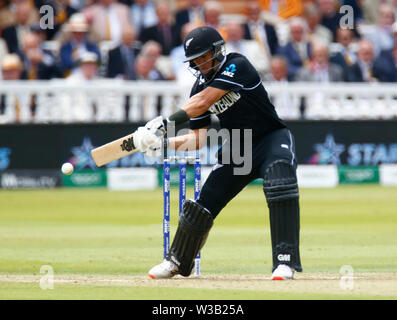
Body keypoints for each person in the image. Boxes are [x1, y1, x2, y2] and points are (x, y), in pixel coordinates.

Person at [131, 26, 303, 280]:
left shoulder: (237, 65)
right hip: (238, 146)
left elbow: (203, 102)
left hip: (270, 137)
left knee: (280, 181)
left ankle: (284, 262)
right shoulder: (198, 87)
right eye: (194, 61)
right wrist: (164, 144)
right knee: (204, 203)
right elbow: (197, 139)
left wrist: (165, 124)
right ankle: (177, 261)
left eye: (203, 57)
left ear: (217, 51)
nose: (199, 64)